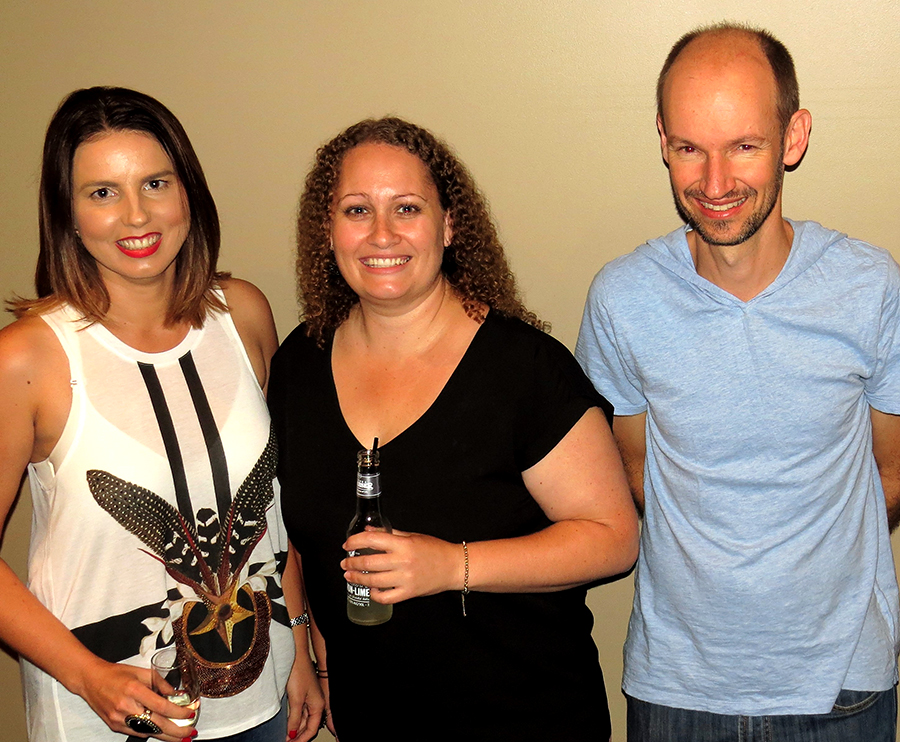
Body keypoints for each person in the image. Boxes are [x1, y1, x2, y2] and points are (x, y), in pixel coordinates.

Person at [575, 22, 900, 742]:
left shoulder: (871, 287)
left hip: (841, 686)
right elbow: (631, 474)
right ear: (662, 140)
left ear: (793, 137)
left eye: (744, 146)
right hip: (678, 690)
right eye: (690, 148)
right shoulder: (622, 299)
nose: (715, 184)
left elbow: (892, 470)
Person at [267, 116, 639, 741]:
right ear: (327, 229)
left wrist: (450, 565)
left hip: (526, 718)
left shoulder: (523, 369)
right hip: (375, 718)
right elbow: (290, 532)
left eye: (406, 208)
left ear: (448, 224)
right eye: (357, 209)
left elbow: (613, 538)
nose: (381, 233)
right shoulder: (299, 364)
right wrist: (306, 644)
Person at [0, 87, 323, 742]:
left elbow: (267, 510)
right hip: (105, 716)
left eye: (155, 182)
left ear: (188, 193)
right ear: (67, 212)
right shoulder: (26, 357)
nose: (135, 215)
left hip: (259, 700)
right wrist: (90, 675)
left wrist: (298, 642)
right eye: (102, 192)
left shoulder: (244, 316)